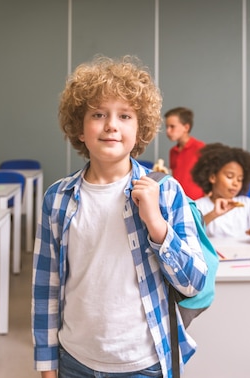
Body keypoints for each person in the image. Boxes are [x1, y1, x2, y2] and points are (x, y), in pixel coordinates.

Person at [31, 55, 207, 378]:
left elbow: (194, 282)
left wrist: (156, 225)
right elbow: (46, 287)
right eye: (98, 114)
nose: (111, 124)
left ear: (139, 130)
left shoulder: (165, 191)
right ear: (79, 129)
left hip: (144, 362)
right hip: (75, 361)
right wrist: (46, 365)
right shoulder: (57, 198)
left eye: (125, 116)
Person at [191, 143, 250, 243]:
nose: (235, 183)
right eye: (230, 177)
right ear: (213, 177)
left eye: (240, 179)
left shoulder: (246, 203)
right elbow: (189, 231)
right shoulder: (198, 205)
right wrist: (213, 214)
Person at [164, 107, 205, 199]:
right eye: (167, 127)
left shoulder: (200, 148)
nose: (168, 131)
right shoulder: (173, 151)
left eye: (172, 126)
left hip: (197, 202)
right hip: (179, 200)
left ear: (186, 127)